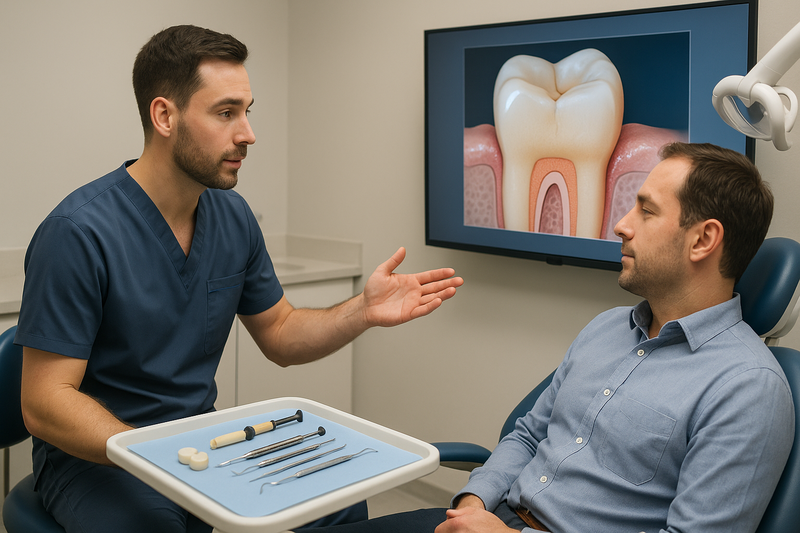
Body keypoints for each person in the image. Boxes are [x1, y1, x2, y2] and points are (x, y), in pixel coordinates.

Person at [15, 25, 463, 533]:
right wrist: (151, 455)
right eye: (226, 113)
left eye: (248, 112)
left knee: (336, 503)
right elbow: (44, 402)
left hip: (202, 442)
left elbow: (281, 333)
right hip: (97, 458)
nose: (248, 133)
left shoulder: (231, 216)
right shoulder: (76, 233)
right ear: (165, 115)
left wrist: (360, 311)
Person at [298, 142, 794, 533]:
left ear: (703, 240)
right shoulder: (606, 328)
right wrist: (472, 505)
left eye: (645, 210)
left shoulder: (748, 388)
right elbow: (529, 434)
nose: (621, 225)